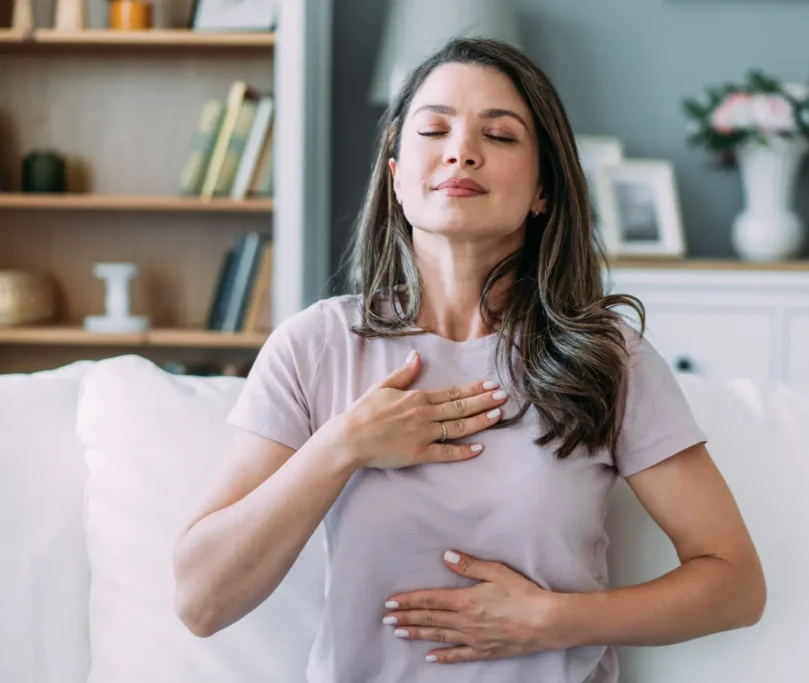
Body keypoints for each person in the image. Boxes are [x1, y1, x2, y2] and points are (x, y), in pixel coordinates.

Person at [172, 37, 765, 682]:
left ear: (543, 190)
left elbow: (734, 584)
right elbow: (202, 601)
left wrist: (552, 620)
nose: (461, 150)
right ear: (396, 177)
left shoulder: (608, 357)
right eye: (434, 129)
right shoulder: (316, 346)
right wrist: (343, 445)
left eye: (501, 136)